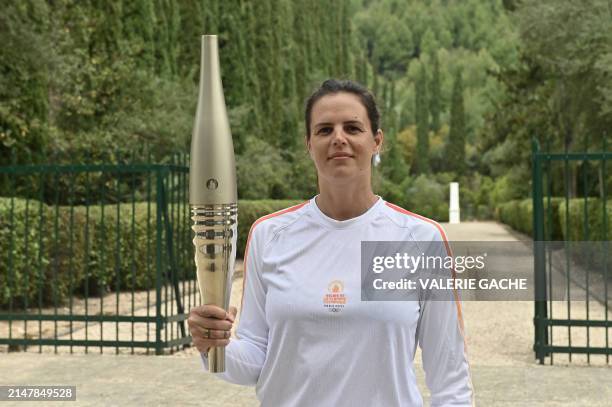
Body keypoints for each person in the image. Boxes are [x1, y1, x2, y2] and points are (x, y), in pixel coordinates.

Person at [188, 79, 474, 406]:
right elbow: (255, 358)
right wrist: (214, 345)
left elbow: (450, 378)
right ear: (309, 144)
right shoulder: (270, 235)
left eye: (353, 128)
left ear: (377, 141)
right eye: (324, 130)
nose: (339, 138)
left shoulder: (421, 240)